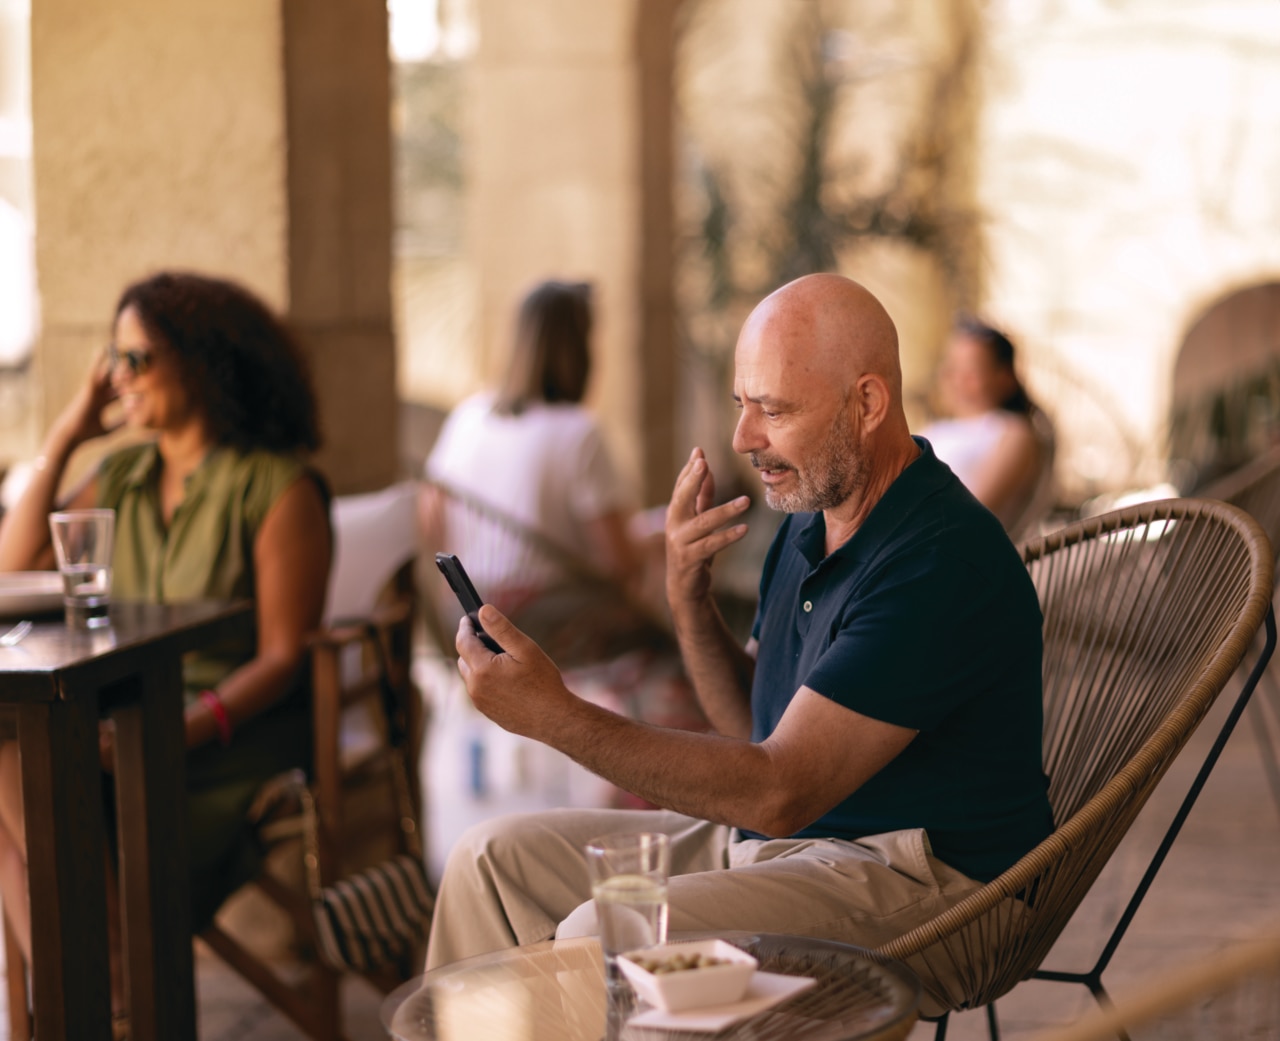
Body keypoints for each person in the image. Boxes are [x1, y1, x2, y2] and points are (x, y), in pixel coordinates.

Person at [424, 273, 1052, 973]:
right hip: (789, 840)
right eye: (741, 404)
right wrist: (688, 599)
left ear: (868, 403)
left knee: (608, 927)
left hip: (928, 878)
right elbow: (753, 728)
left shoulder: (935, 560)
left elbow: (778, 789)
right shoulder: (813, 518)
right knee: (489, 861)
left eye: (773, 410)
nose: (744, 438)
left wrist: (555, 716)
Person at [0, 271, 332, 1026]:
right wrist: (67, 434)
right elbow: (12, 569)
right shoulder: (122, 473)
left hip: (229, 735)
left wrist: (173, 732)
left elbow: (282, 656)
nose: (118, 377)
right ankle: (112, 994)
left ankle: (102, 1000)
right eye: (112, 359)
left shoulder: (277, 486)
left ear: (202, 362)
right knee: (11, 756)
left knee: (32, 775)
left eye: (137, 359)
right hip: (119, 721)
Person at [422, 278, 702, 726]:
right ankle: (649, 760)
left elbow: (430, 516)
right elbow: (619, 564)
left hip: (462, 616)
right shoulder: (578, 432)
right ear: (579, 348)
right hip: (540, 623)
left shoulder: (468, 416)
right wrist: (663, 538)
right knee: (676, 649)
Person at [919, 316, 1052, 536]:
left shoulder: (1012, 432)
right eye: (951, 367)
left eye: (970, 372)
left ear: (1004, 378)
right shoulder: (937, 430)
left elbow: (972, 510)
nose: (955, 379)